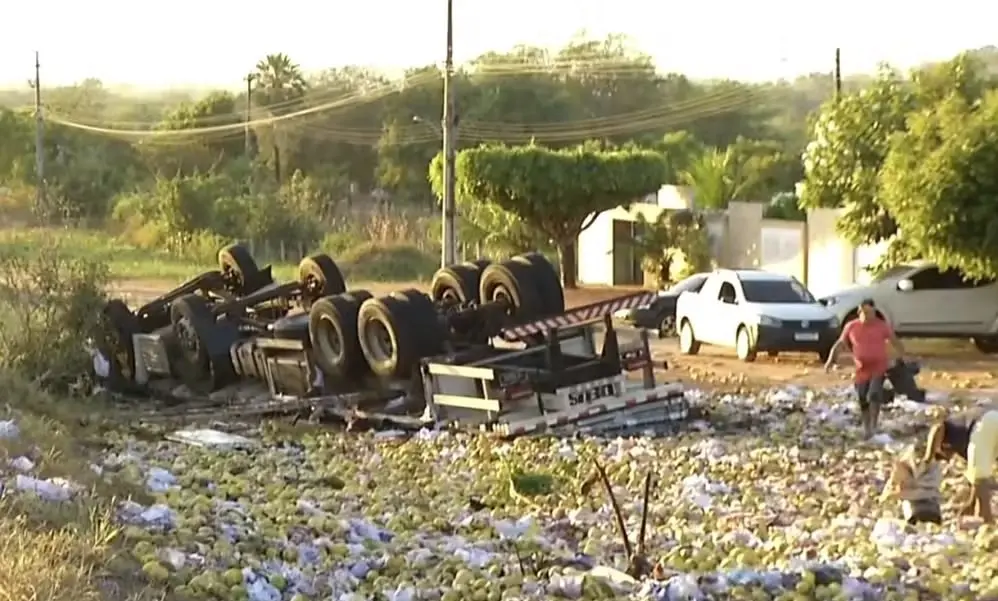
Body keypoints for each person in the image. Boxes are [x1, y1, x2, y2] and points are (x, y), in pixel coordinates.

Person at [824, 299, 906, 438]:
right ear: (859, 312)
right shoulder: (851, 326)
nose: (866, 315)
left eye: (869, 312)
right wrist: (830, 360)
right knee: (862, 398)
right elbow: (839, 344)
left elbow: (895, 342)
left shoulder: (882, 326)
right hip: (861, 369)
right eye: (863, 312)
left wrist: (899, 357)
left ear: (874, 312)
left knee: (873, 394)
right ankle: (867, 427)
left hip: (878, 367)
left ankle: (874, 425)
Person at [924, 409, 998, 523]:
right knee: (978, 477)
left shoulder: (949, 430)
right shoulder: (963, 448)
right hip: (992, 420)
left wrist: (928, 457)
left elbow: (938, 427)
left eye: (940, 456)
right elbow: (975, 482)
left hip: (982, 424)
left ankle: (987, 520)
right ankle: (982, 516)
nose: (946, 459)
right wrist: (970, 503)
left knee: (980, 478)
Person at [880, 444, 943, 525]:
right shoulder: (905, 464)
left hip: (923, 508)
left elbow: (925, 492)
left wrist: (893, 494)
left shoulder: (929, 470)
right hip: (924, 506)